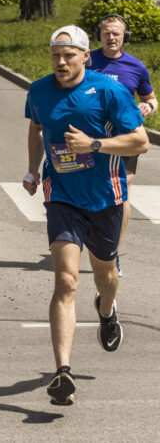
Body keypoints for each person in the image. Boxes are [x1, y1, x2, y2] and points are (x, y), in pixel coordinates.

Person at [21, 25, 148, 406]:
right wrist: (32, 168)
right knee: (66, 281)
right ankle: (63, 372)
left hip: (105, 197)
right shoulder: (39, 90)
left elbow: (140, 141)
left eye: (68, 55)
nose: (61, 62)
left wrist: (94, 144)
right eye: (56, 56)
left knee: (105, 275)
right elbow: (36, 126)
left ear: (84, 56)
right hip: (61, 194)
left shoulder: (109, 90)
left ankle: (106, 310)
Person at [87, 14, 157, 276]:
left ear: (124, 37)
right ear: (99, 34)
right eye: (106, 32)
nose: (111, 37)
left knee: (121, 192)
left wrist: (148, 106)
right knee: (90, 189)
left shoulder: (136, 66)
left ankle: (113, 252)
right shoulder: (87, 60)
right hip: (89, 138)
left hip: (124, 138)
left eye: (116, 33)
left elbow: (151, 98)